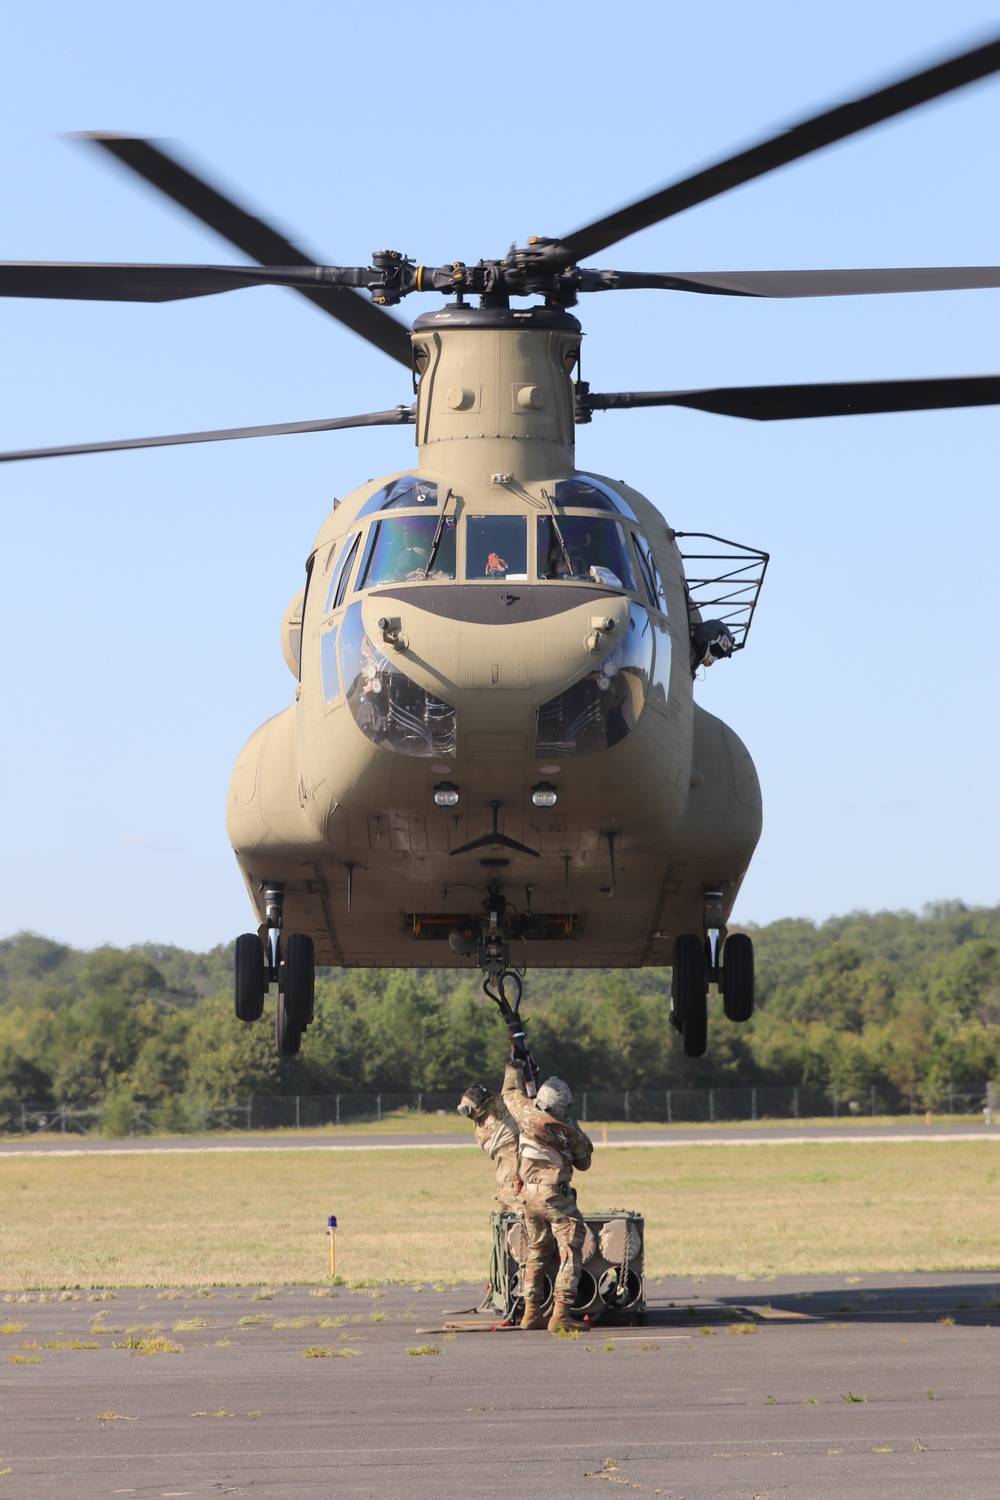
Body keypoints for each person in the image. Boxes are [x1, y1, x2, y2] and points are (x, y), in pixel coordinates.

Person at [501, 1059, 593, 1331]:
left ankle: (531, 1313)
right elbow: (584, 1162)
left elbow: (509, 1094)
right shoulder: (569, 1131)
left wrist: (514, 1067)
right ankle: (561, 1315)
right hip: (555, 1197)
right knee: (570, 1251)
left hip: (528, 1196)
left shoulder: (525, 1113)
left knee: (536, 1252)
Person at [457, 1083, 521, 1212]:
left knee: (513, 1208)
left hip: (510, 1179)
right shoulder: (502, 1107)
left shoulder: (482, 1129)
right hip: (528, 1171)